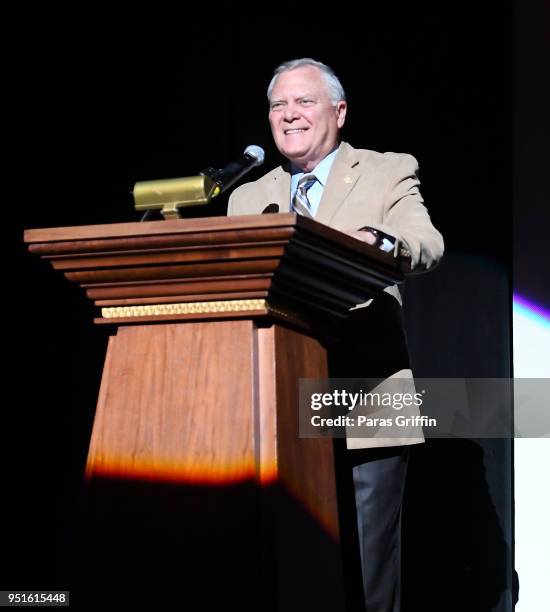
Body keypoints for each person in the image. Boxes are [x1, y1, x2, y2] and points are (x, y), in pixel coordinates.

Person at [227, 58, 444, 611]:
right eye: (278, 105)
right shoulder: (249, 198)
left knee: (367, 577)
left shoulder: (385, 170)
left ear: (339, 112)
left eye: (304, 102)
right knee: (288, 569)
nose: (289, 115)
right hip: (275, 404)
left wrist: (382, 243)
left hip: (364, 396)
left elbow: (425, 241)